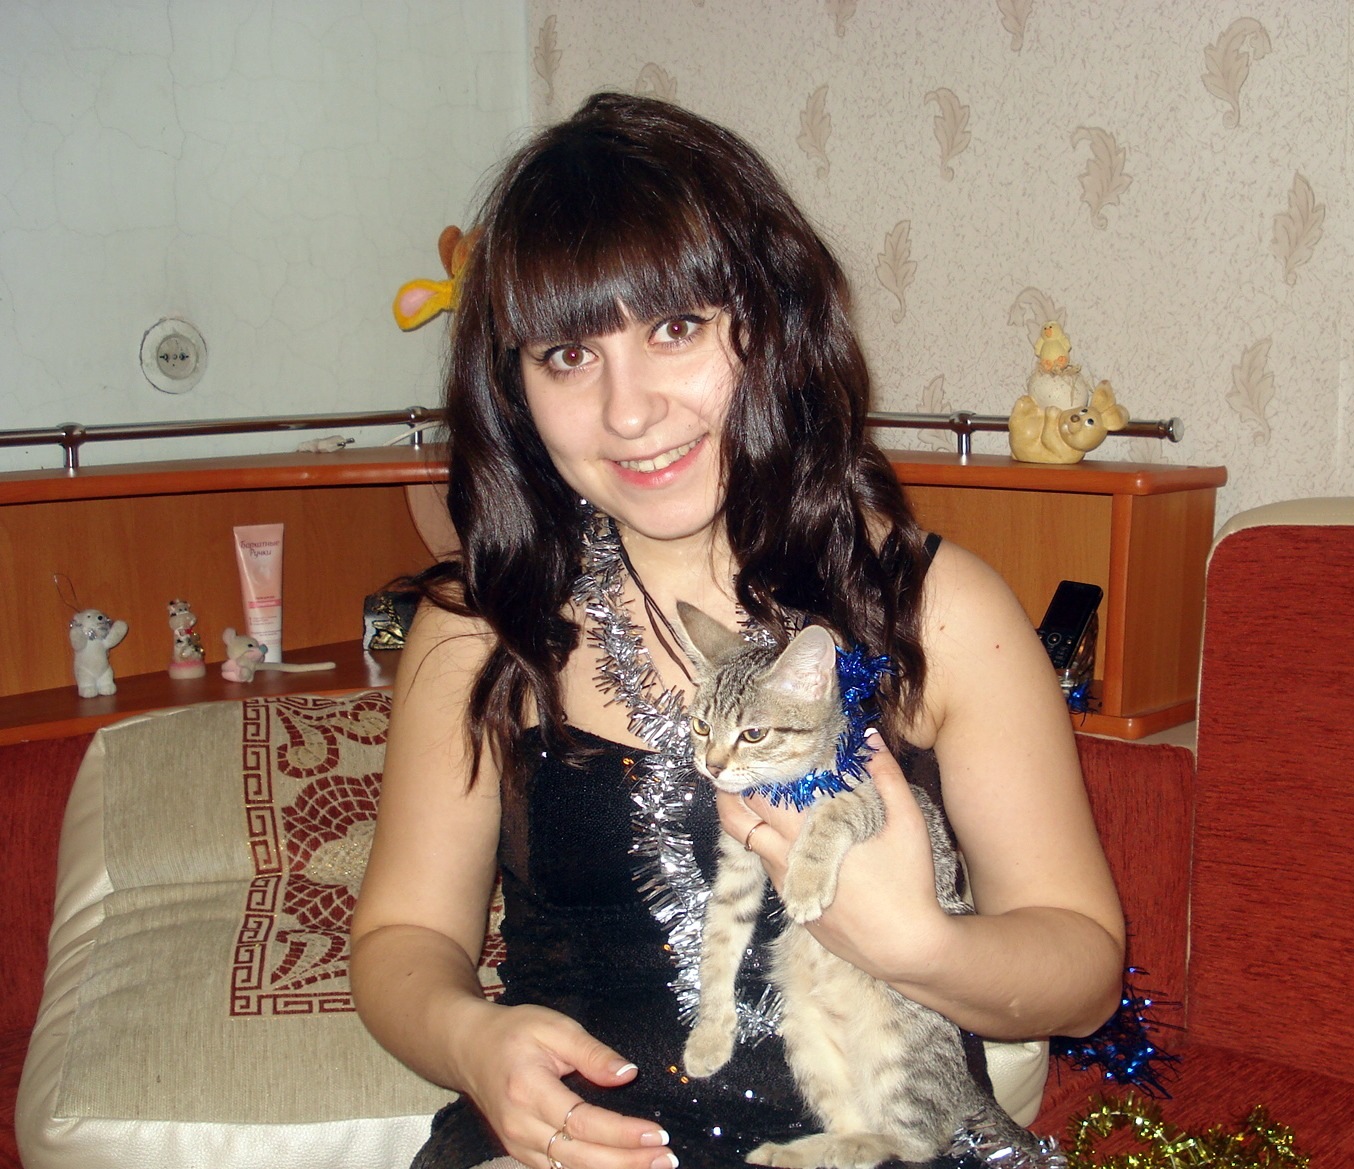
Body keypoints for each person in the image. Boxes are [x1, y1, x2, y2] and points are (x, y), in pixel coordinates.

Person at [350, 92, 1125, 1169]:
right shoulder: (478, 628)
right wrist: (470, 1039)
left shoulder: (937, 609)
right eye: (567, 354)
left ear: (771, 322)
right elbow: (403, 936)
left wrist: (918, 943)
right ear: (513, 386)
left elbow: (1083, 972)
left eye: (675, 328)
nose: (628, 410)